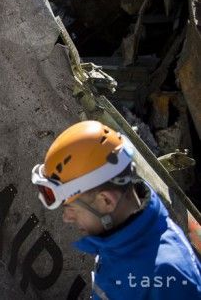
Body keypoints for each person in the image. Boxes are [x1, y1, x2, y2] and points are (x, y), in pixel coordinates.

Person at [31, 120, 201, 299]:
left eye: (71, 208)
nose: (66, 218)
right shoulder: (121, 237)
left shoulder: (168, 279)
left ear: (106, 201)